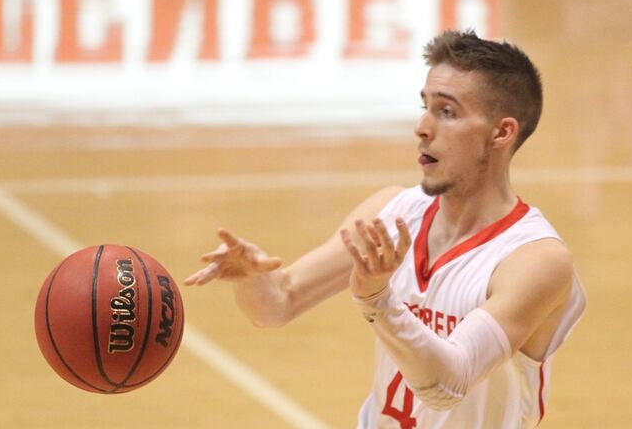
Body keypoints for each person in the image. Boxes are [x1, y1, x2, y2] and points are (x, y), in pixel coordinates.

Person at [184, 30, 586, 428]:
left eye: (446, 111)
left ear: (502, 132)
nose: (422, 127)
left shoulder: (535, 259)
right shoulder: (393, 211)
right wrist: (254, 279)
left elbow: (449, 382)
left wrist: (377, 299)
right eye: (425, 106)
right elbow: (277, 305)